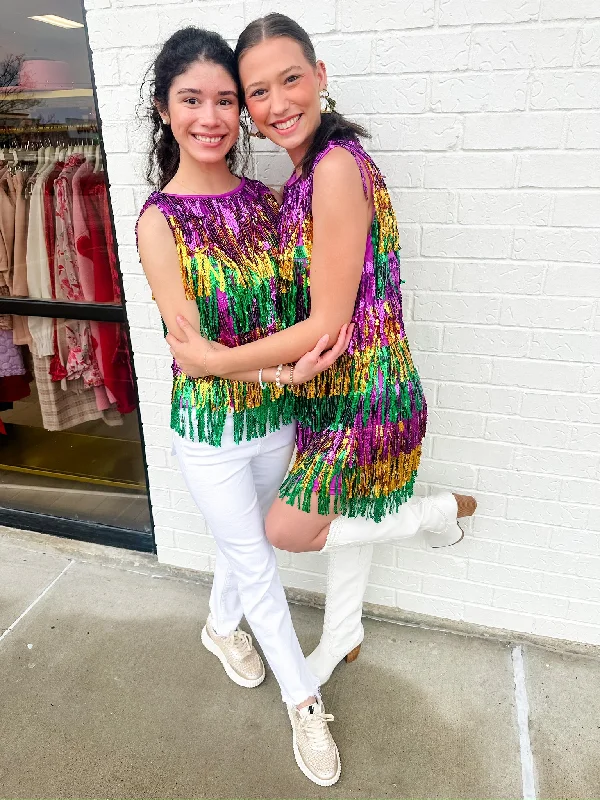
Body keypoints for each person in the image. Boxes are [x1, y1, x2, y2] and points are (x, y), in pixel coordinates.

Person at [169, 14, 476, 695]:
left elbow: (328, 320)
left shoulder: (335, 169)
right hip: (326, 391)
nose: (277, 103)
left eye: (291, 80)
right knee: (350, 516)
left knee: (288, 529)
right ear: (247, 107)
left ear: (321, 77)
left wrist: (217, 361)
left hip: (366, 397)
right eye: (257, 92)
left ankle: (435, 513)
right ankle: (342, 634)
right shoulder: (303, 175)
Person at [136, 27, 352, 786]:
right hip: (213, 430)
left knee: (245, 547)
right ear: (165, 110)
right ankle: (305, 704)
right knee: (258, 565)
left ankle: (218, 627)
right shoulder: (159, 221)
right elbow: (190, 353)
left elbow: (307, 305)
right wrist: (278, 379)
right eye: (192, 100)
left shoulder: (266, 202)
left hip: (280, 425)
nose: (212, 116)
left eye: (227, 100)